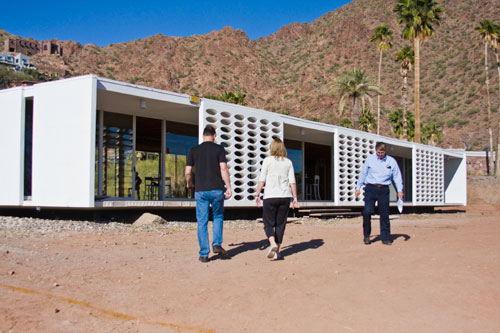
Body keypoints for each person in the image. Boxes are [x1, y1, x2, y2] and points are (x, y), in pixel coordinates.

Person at [185, 125, 232, 263]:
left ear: (203, 135)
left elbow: (188, 172)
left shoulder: (194, 150)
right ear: (214, 135)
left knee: (202, 221)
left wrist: (189, 183)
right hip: (217, 189)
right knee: (218, 216)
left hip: (200, 190)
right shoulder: (219, 149)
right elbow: (223, 168)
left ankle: (204, 254)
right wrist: (228, 186)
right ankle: (216, 244)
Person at [255, 138, 298, 260]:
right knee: (280, 224)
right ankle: (277, 253)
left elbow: (262, 179)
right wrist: (295, 197)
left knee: (268, 222)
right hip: (285, 196)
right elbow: (292, 182)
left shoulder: (267, 161)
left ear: (272, 148)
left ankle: (272, 243)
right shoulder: (288, 162)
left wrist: (257, 194)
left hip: (270, 196)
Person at [355, 142, 404, 245]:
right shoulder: (370, 160)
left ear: (385, 151)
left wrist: (400, 190)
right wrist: (358, 188)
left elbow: (397, 176)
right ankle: (366, 235)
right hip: (370, 188)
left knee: (384, 214)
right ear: (375, 151)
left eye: (382, 152)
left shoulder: (391, 161)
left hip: (384, 189)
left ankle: (385, 237)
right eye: (378, 152)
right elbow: (363, 174)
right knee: (367, 212)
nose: (380, 154)